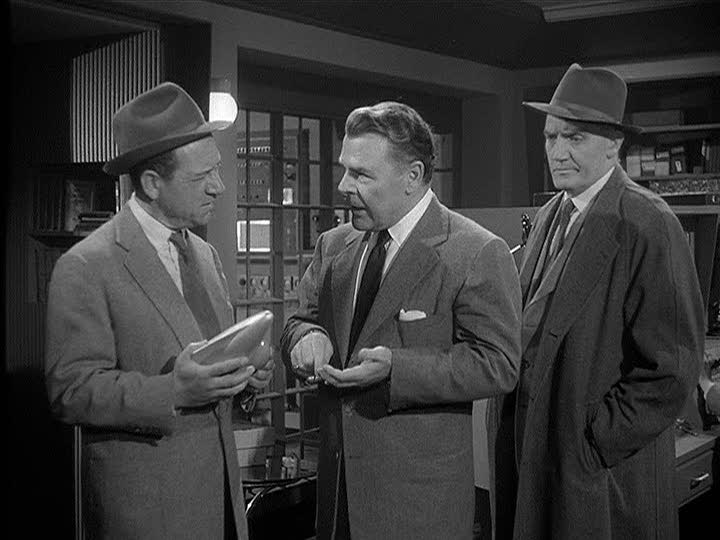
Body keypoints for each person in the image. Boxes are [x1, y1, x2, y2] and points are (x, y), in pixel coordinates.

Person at [281, 101, 522, 539]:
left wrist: (397, 369)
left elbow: (498, 364)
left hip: (417, 510)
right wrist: (305, 338)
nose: (343, 186)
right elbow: (300, 320)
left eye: (361, 175)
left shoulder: (474, 251)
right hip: (337, 506)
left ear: (413, 176)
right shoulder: (334, 246)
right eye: (345, 170)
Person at [45, 82, 274, 539]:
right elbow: (71, 390)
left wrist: (244, 377)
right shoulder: (87, 266)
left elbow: (211, 364)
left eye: (217, 169)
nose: (219, 187)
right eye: (202, 177)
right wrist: (174, 390)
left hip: (221, 506)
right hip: (150, 515)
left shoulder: (205, 256)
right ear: (152, 183)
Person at [491, 63, 704, 539]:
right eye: (551, 137)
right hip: (538, 456)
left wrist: (592, 439)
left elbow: (672, 368)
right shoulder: (550, 214)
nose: (557, 152)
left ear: (614, 144)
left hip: (599, 473)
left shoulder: (647, 223)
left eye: (575, 138)